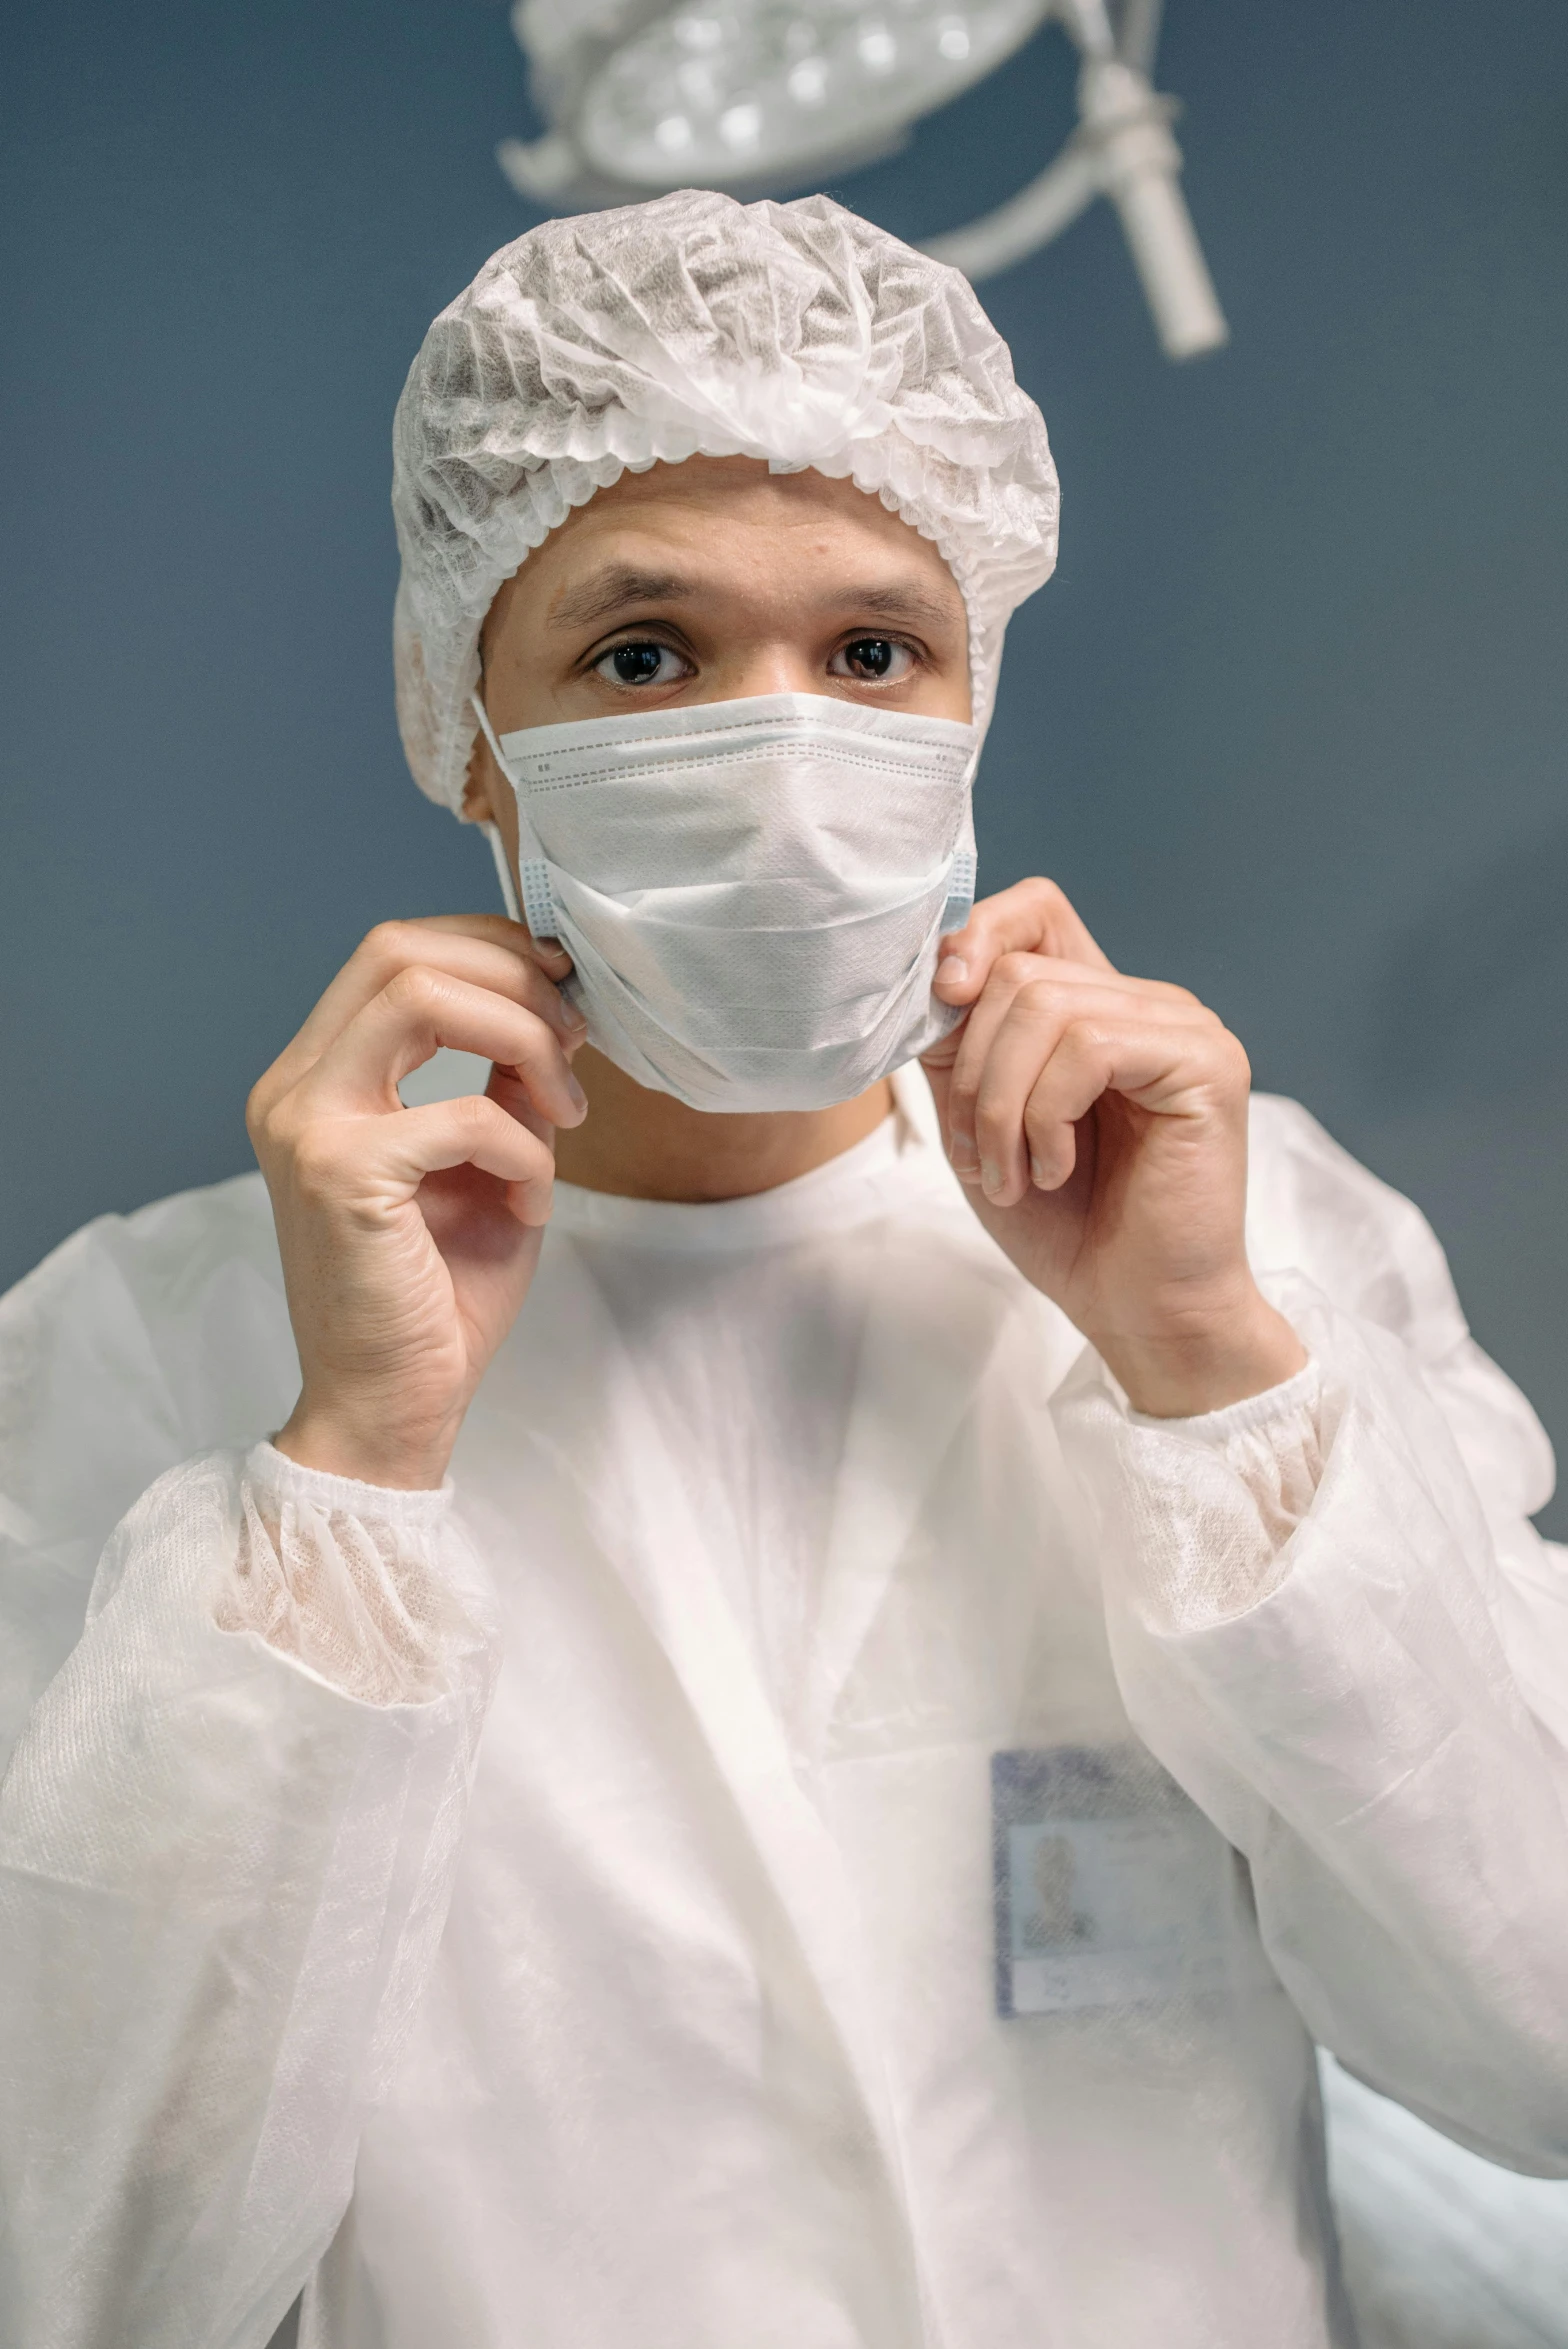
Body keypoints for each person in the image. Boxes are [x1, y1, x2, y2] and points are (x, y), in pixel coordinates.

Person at [1, 190, 1566, 2349]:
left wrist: (1208, 1369)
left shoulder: (1243, 1237)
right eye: (642, 657)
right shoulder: (135, 1350)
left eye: (869, 653)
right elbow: (81, 2273)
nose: (782, 754)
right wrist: (347, 1474)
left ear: (967, 709)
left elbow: (1541, 2046)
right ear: (471, 729)